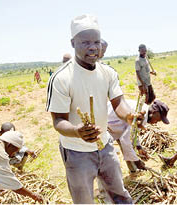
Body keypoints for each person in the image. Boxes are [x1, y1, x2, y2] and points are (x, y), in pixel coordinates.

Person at [46, 14, 145, 204]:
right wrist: (77, 131)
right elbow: (58, 121)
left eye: (96, 42)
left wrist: (130, 116)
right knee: (84, 200)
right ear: (73, 42)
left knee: (119, 195)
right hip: (76, 151)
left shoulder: (107, 73)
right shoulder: (61, 78)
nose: (93, 47)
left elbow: (119, 103)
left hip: (104, 145)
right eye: (85, 42)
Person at [0, 131, 43, 203]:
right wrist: (33, 195)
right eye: (15, 151)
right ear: (9, 145)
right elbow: (14, 185)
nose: (13, 155)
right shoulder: (0, 155)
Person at [108, 99, 170, 172]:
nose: (156, 123)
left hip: (115, 125)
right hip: (106, 124)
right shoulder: (140, 116)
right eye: (158, 120)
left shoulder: (144, 111)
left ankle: (133, 170)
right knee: (109, 160)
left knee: (128, 145)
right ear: (154, 112)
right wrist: (137, 162)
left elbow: (132, 132)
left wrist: (139, 147)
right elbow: (125, 141)